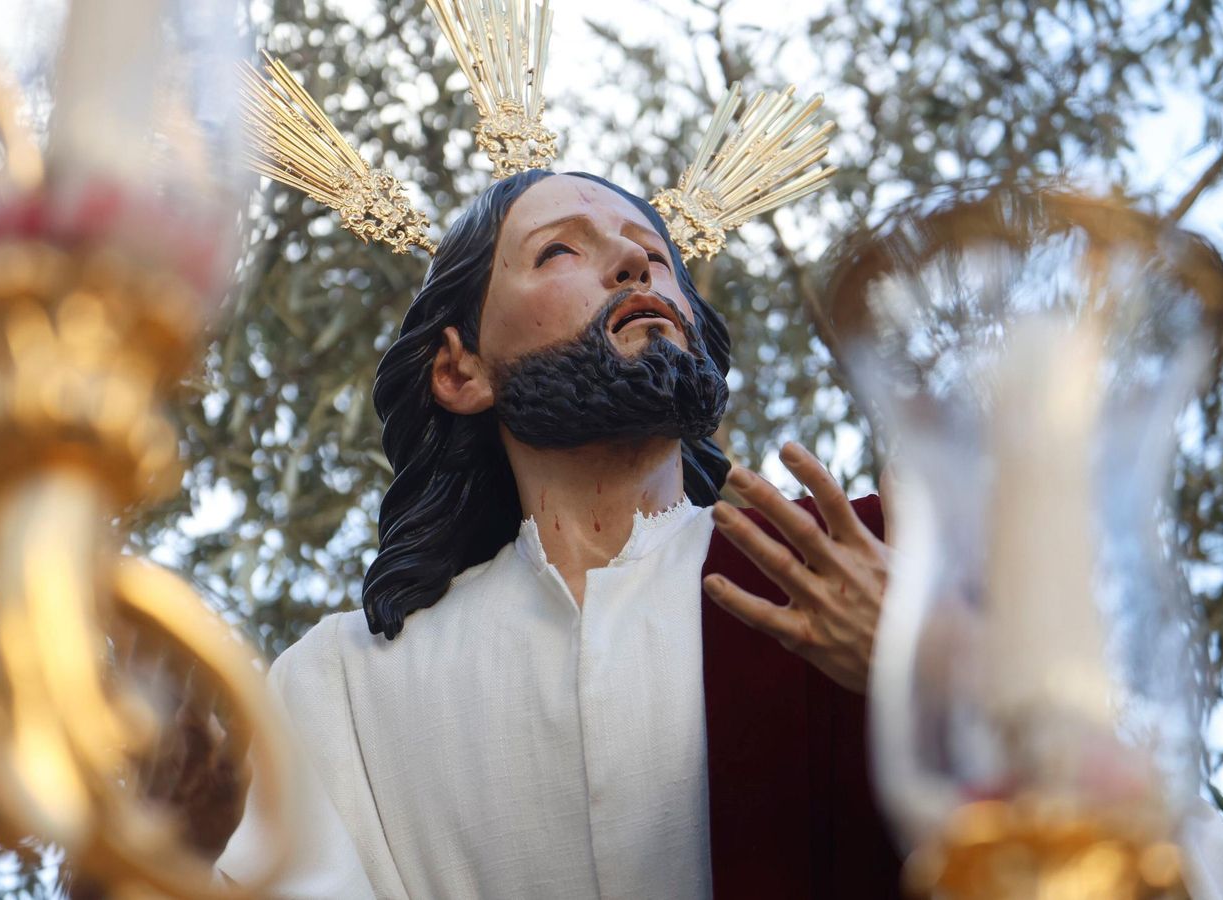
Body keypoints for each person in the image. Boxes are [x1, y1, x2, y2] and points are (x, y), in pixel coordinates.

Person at [213, 169, 905, 898]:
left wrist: (935, 670)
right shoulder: (343, 688)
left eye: (656, 256)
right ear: (458, 370)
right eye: (558, 252)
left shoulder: (863, 564)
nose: (636, 265)